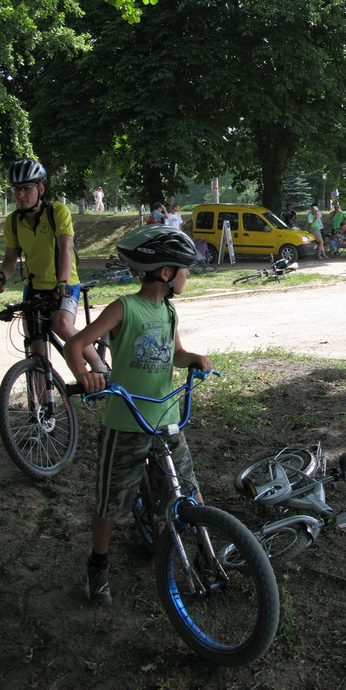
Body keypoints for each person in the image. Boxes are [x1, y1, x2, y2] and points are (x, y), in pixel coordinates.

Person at [63, 226, 211, 605]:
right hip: (126, 422)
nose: (187, 274)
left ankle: (205, 554)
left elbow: (175, 354)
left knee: (187, 486)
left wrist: (192, 358)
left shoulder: (169, 309)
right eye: (184, 268)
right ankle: (98, 565)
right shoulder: (124, 307)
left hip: (166, 418)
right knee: (111, 500)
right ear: (165, 272)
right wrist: (85, 375)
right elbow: (76, 344)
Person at [0, 159, 105, 373]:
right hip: (33, 287)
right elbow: (9, 260)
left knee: (61, 325)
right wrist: (2, 276)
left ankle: (100, 368)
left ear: (40, 189)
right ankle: (42, 393)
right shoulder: (13, 221)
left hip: (64, 284)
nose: (20, 194)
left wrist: (62, 281)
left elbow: (66, 249)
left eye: (27, 188)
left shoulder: (57, 212)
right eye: (16, 189)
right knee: (35, 346)